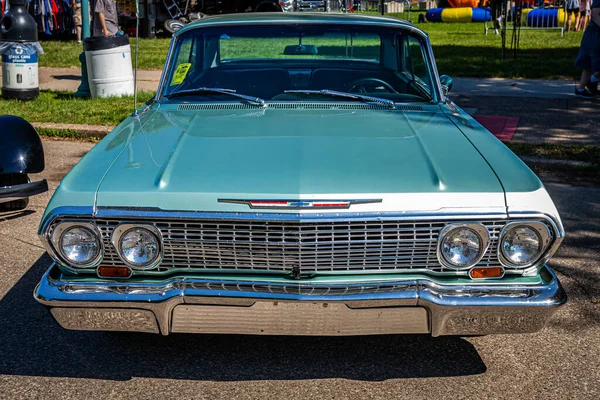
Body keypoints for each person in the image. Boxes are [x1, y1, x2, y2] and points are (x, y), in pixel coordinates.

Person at [574, 0, 600, 97]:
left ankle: (590, 82)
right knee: (589, 62)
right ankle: (586, 85)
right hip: (595, 34)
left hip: (595, 34)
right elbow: (595, 15)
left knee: (591, 62)